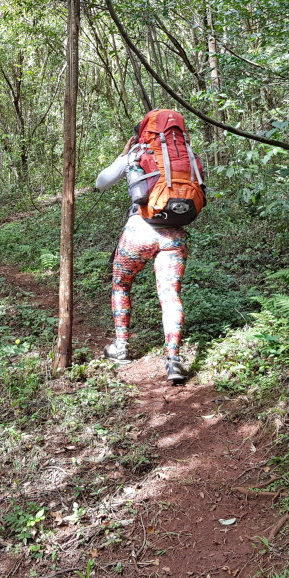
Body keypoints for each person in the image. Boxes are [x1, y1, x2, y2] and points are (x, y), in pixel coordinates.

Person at [95, 123, 189, 384]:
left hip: (140, 231)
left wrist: (123, 156)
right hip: (174, 235)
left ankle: (122, 346)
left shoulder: (136, 153)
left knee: (121, 284)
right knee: (171, 295)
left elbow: (100, 183)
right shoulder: (184, 155)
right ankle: (173, 361)